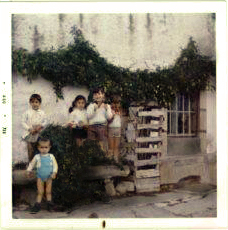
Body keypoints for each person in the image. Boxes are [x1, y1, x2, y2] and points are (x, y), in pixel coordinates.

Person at [27, 138, 58, 213]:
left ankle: (49, 205)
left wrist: (54, 172)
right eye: (41, 147)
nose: (44, 149)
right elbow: (31, 164)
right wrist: (28, 170)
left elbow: (55, 165)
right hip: (40, 177)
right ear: (38, 147)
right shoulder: (37, 156)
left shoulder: (51, 156)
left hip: (49, 177)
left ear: (49, 147)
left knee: (48, 192)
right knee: (40, 192)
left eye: (46, 147)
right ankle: (37, 206)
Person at [21, 94, 47, 162]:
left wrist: (41, 126)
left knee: (37, 149)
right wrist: (29, 129)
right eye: (32, 102)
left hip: (38, 133)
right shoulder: (27, 112)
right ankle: (30, 164)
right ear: (30, 103)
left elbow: (45, 121)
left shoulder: (42, 113)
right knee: (30, 149)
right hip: (30, 133)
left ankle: (37, 164)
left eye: (36, 102)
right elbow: (23, 122)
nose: (34, 104)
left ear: (39, 103)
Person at [87, 87, 113, 152]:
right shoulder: (91, 105)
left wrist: (107, 109)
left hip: (102, 127)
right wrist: (94, 109)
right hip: (92, 127)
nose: (97, 96)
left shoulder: (107, 106)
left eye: (99, 94)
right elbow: (88, 116)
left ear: (103, 95)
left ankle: (102, 158)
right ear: (93, 96)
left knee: (101, 145)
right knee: (92, 145)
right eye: (95, 94)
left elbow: (109, 117)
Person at [108, 95, 122, 162]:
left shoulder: (120, 111)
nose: (115, 105)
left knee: (116, 145)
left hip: (118, 129)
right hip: (111, 128)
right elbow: (108, 121)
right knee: (111, 146)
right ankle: (110, 159)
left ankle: (116, 159)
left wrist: (119, 112)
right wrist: (113, 115)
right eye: (114, 103)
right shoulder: (109, 111)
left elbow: (121, 119)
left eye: (117, 103)